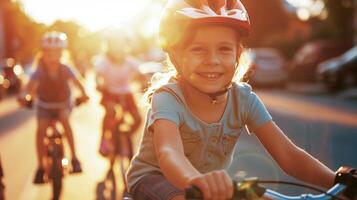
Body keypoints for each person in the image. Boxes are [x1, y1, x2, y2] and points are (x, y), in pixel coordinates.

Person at [125, 0, 335, 199]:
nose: (213, 60)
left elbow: (289, 156)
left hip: (212, 186)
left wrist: (336, 181)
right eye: (198, 49)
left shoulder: (243, 99)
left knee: (263, 197)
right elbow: (168, 152)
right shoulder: (168, 97)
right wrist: (195, 179)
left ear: (237, 53)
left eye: (224, 49)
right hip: (154, 179)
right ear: (175, 55)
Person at [19, 31, 89, 184]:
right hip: (44, 106)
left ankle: (75, 158)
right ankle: (40, 167)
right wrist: (24, 96)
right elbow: (29, 87)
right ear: (43, 53)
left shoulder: (66, 68)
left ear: (62, 53)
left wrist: (84, 94)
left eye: (57, 52)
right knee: (41, 129)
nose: (53, 56)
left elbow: (79, 83)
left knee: (65, 119)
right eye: (49, 52)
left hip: (63, 104)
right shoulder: (40, 70)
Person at [93, 35, 142, 164]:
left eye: (120, 44)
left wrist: (146, 81)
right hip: (110, 93)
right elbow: (98, 75)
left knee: (138, 119)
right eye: (115, 44)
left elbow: (141, 74)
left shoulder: (129, 61)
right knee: (111, 112)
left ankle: (125, 138)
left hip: (126, 94)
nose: (118, 48)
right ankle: (103, 140)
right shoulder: (104, 61)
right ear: (109, 46)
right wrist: (98, 83)